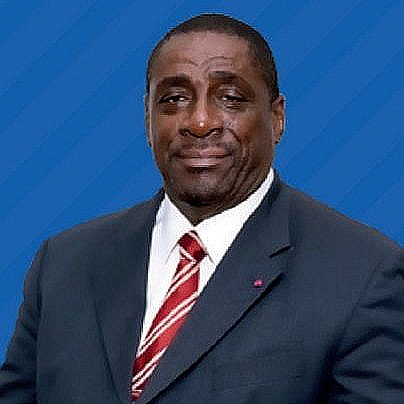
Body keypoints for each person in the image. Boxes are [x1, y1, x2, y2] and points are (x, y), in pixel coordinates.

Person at [0, 13, 403, 404]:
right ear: (147, 118)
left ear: (277, 117)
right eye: (174, 99)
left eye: (230, 98)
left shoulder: (364, 272)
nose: (199, 122)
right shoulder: (63, 262)